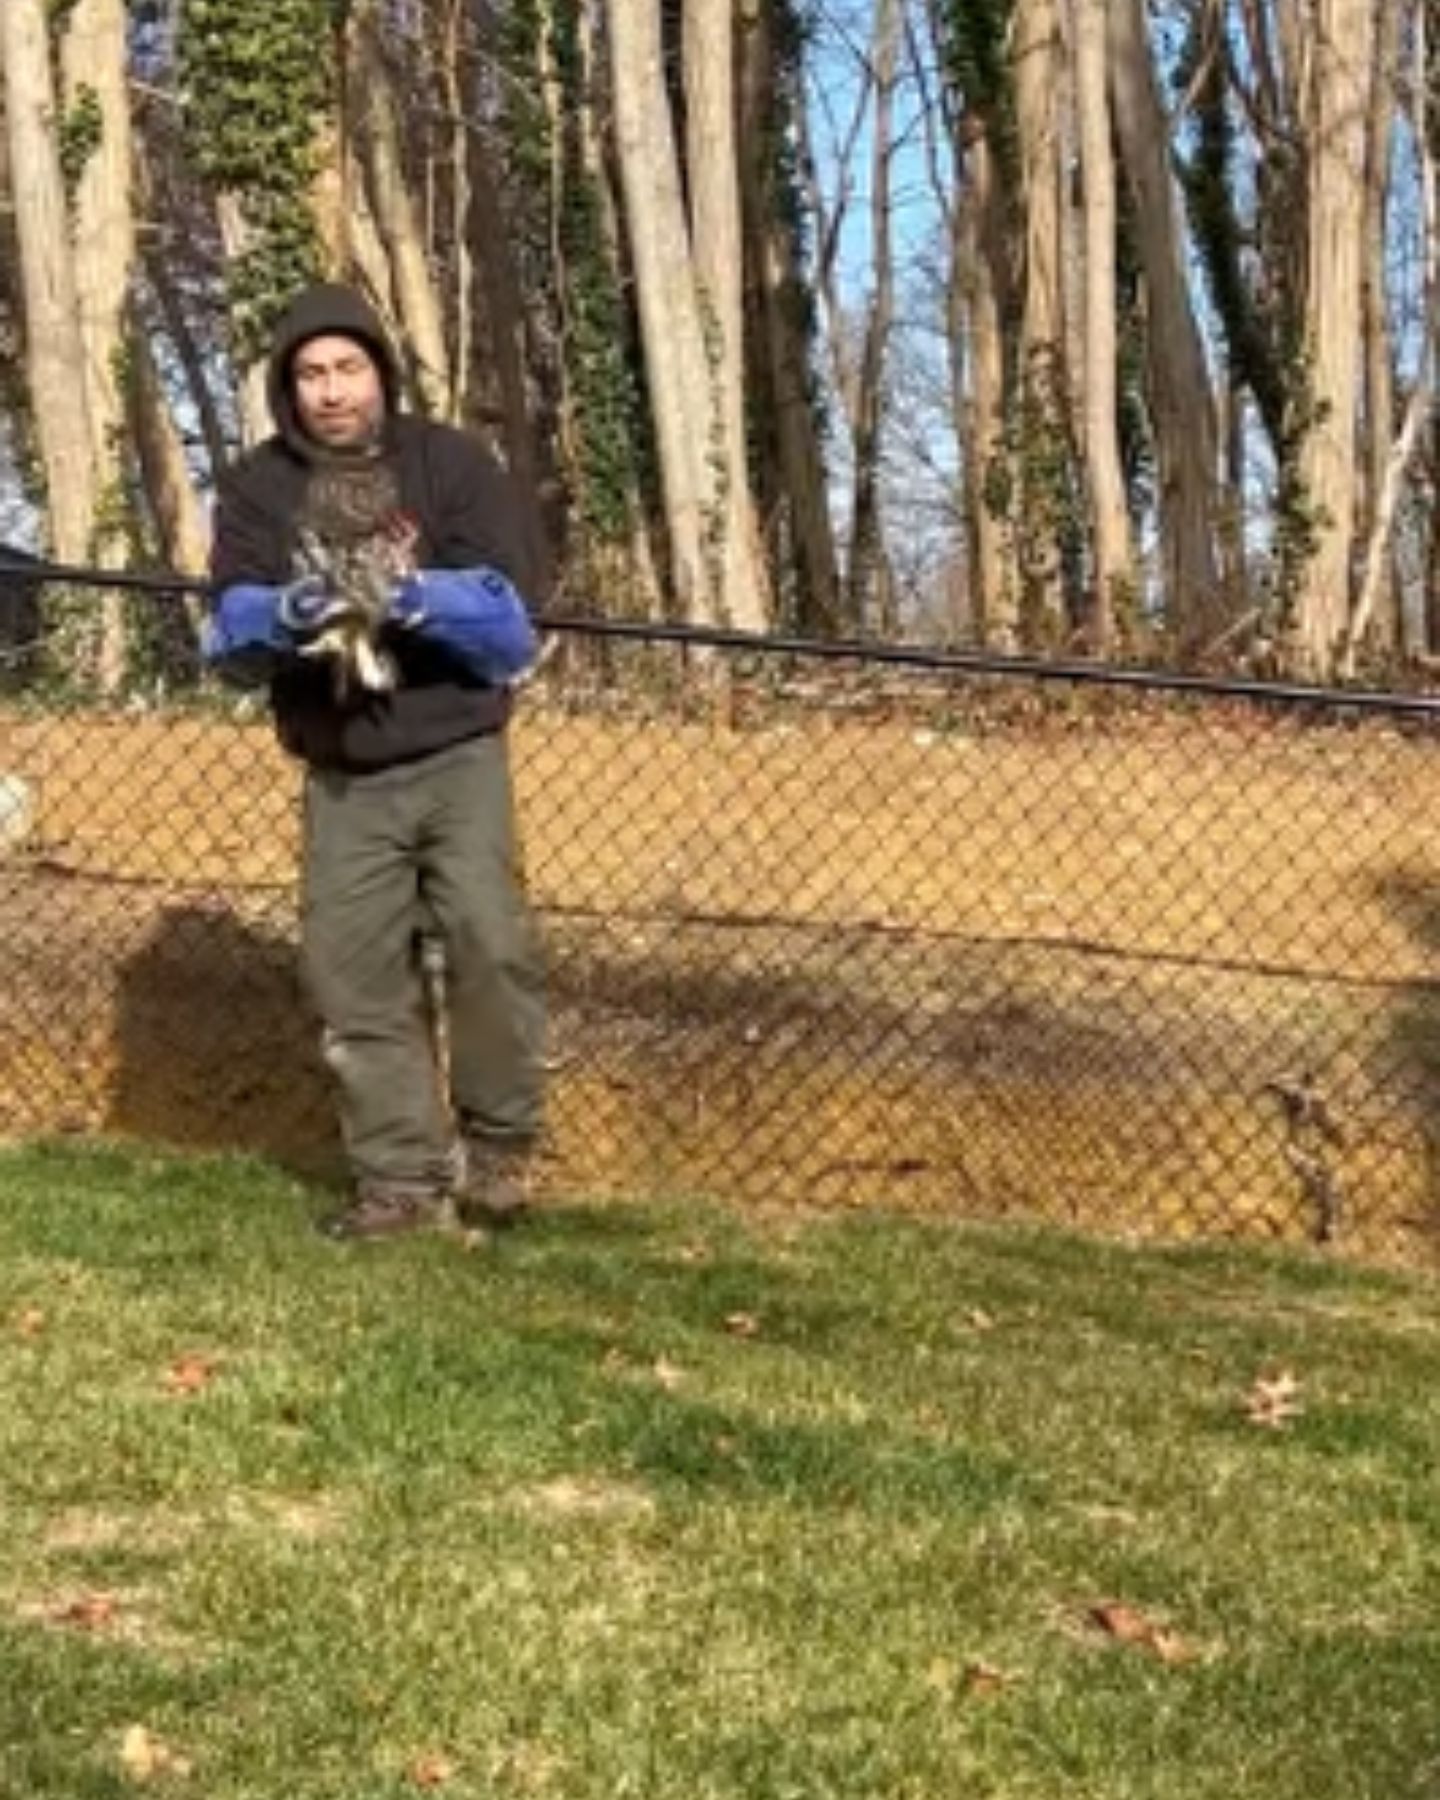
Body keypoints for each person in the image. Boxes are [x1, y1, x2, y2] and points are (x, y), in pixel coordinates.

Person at [204, 281, 547, 1240]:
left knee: (490, 944)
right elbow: (225, 631)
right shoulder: (256, 489)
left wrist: (409, 595)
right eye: (309, 373)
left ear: (380, 373)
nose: (330, 390)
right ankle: (398, 1184)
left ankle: (500, 1146)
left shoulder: (450, 465)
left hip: (455, 754)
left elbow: (510, 622)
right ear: (286, 388)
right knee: (353, 978)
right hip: (343, 772)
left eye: (347, 367)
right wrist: (286, 612)